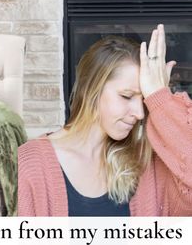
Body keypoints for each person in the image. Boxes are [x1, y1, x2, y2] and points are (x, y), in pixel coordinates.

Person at [18, 24, 192, 216]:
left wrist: (161, 99)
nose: (140, 113)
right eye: (126, 96)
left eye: (143, 99)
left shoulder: (148, 163)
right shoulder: (31, 162)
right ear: (91, 90)